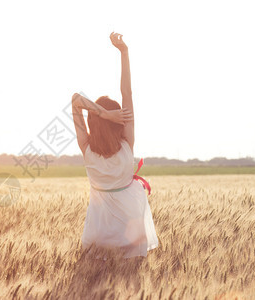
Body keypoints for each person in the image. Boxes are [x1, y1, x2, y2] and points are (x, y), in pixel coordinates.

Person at [71, 32, 158, 259]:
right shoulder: (127, 141)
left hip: (96, 238)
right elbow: (127, 92)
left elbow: (75, 100)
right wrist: (124, 52)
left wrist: (104, 115)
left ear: (92, 123)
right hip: (131, 236)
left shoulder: (86, 147)